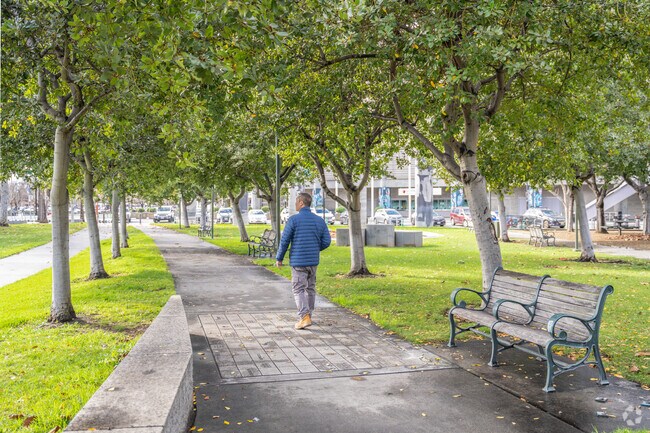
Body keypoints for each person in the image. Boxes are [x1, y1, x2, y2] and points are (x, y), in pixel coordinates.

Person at [275, 192, 331, 330]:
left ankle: (304, 316)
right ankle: (308, 315)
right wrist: (314, 249)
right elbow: (327, 241)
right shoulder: (319, 221)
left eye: (296, 202)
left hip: (298, 261)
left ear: (301, 203)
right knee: (310, 288)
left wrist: (279, 258)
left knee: (298, 289)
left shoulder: (294, 220)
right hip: (313, 261)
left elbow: (285, 240)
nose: (295, 204)